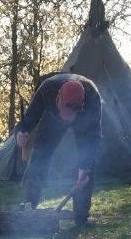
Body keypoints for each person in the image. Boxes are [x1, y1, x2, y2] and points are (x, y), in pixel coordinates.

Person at [15, 73, 102, 227]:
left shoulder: (92, 97)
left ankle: (81, 216)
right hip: (52, 119)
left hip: (83, 122)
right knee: (40, 157)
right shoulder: (46, 90)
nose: (68, 119)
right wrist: (21, 132)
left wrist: (85, 166)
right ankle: (30, 205)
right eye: (66, 113)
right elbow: (29, 118)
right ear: (58, 98)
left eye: (71, 114)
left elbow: (94, 137)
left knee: (86, 165)